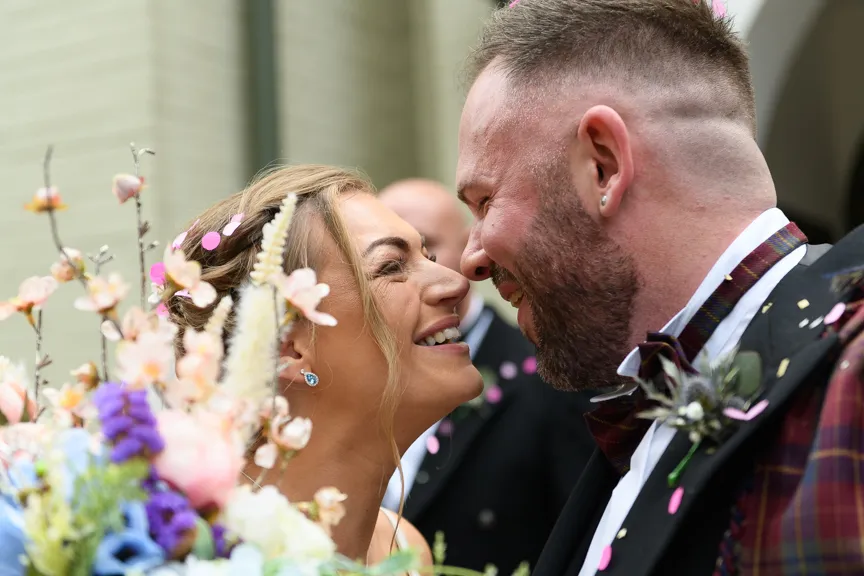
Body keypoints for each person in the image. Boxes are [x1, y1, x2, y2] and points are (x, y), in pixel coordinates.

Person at [455, 1, 864, 575]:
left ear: (603, 165)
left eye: (484, 200)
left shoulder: (853, 364)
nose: (470, 257)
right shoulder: (638, 414)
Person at [168, 165, 482, 568]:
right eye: (391, 266)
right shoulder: (192, 552)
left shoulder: (403, 551)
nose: (455, 283)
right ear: (287, 347)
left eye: (429, 255)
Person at [378, 179, 594, 574]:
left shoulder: (551, 377)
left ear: (467, 247)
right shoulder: (354, 378)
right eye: (390, 264)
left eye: (429, 249)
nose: (418, 275)